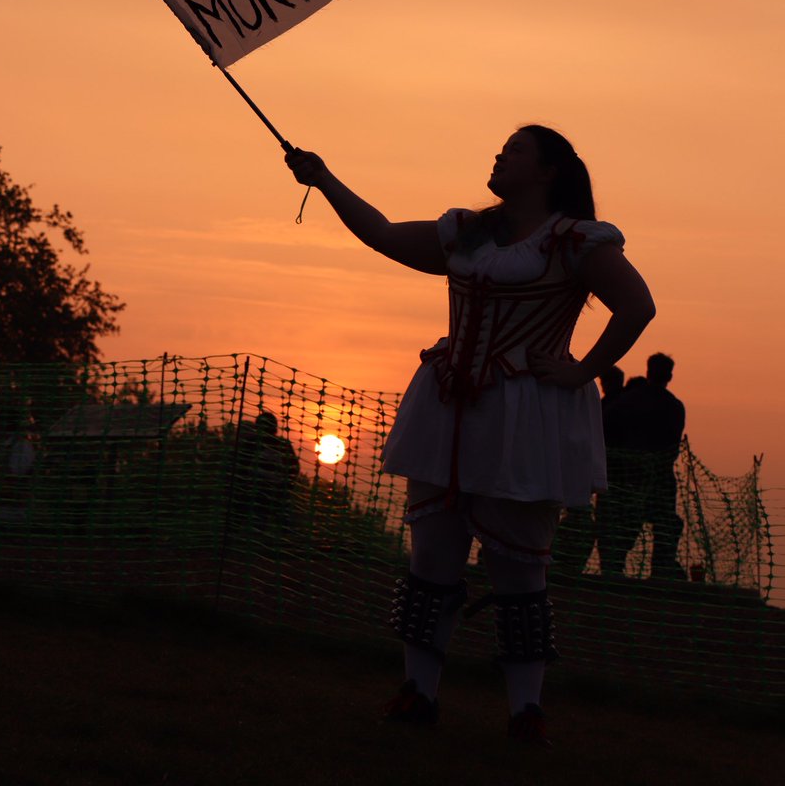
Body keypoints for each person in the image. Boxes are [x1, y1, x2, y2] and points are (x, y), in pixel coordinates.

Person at [285, 125, 655, 745]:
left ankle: (525, 710)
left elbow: (637, 305)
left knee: (517, 568)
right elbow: (383, 234)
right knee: (432, 553)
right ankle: (419, 693)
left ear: (547, 172)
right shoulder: (469, 231)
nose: (498, 156)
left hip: (526, 415)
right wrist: (323, 179)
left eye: (513, 151)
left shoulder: (573, 241)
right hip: (450, 405)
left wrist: (582, 369)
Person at [596, 354, 685, 579]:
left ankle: (613, 571)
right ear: (670, 376)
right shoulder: (673, 406)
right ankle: (660, 572)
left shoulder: (623, 402)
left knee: (617, 529)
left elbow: (602, 432)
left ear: (648, 371)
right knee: (664, 524)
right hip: (652, 477)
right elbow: (672, 447)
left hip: (622, 478)